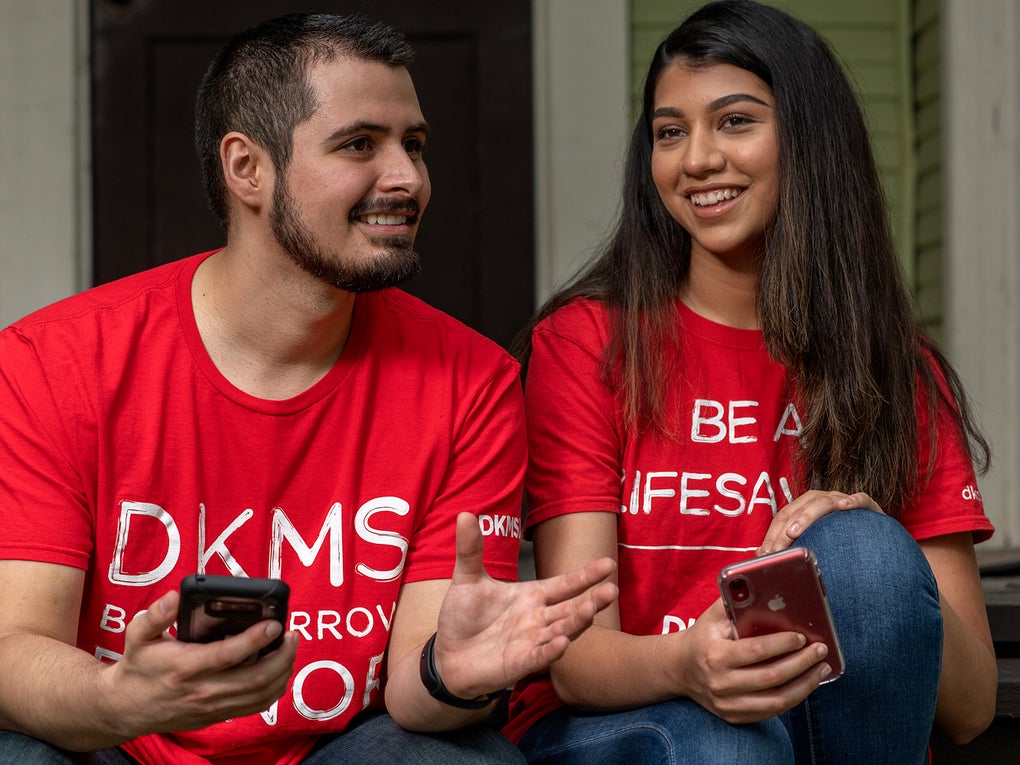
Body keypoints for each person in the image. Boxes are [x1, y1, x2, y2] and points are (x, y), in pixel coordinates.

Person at [0, 13, 617, 765]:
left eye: (414, 145)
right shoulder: (52, 361)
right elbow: (14, 646)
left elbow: (416, 689)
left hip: (336, 746)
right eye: (361, 144)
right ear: (246, 168)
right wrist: (121, 698)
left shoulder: (473, 381)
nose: (408, 178)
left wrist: (448, 674)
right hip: (119, 742)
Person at [503, 1, 997, 762]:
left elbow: (969, 709)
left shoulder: (895, 368)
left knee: (860, 545)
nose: (696, 159)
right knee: (728, 747)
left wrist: (882, 556)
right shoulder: (589, 342)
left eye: (734, 121)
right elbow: (572, 660)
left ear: (808, 138)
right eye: (670, 132)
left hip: (830, 732)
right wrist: (688, 663)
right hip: (636, 714)